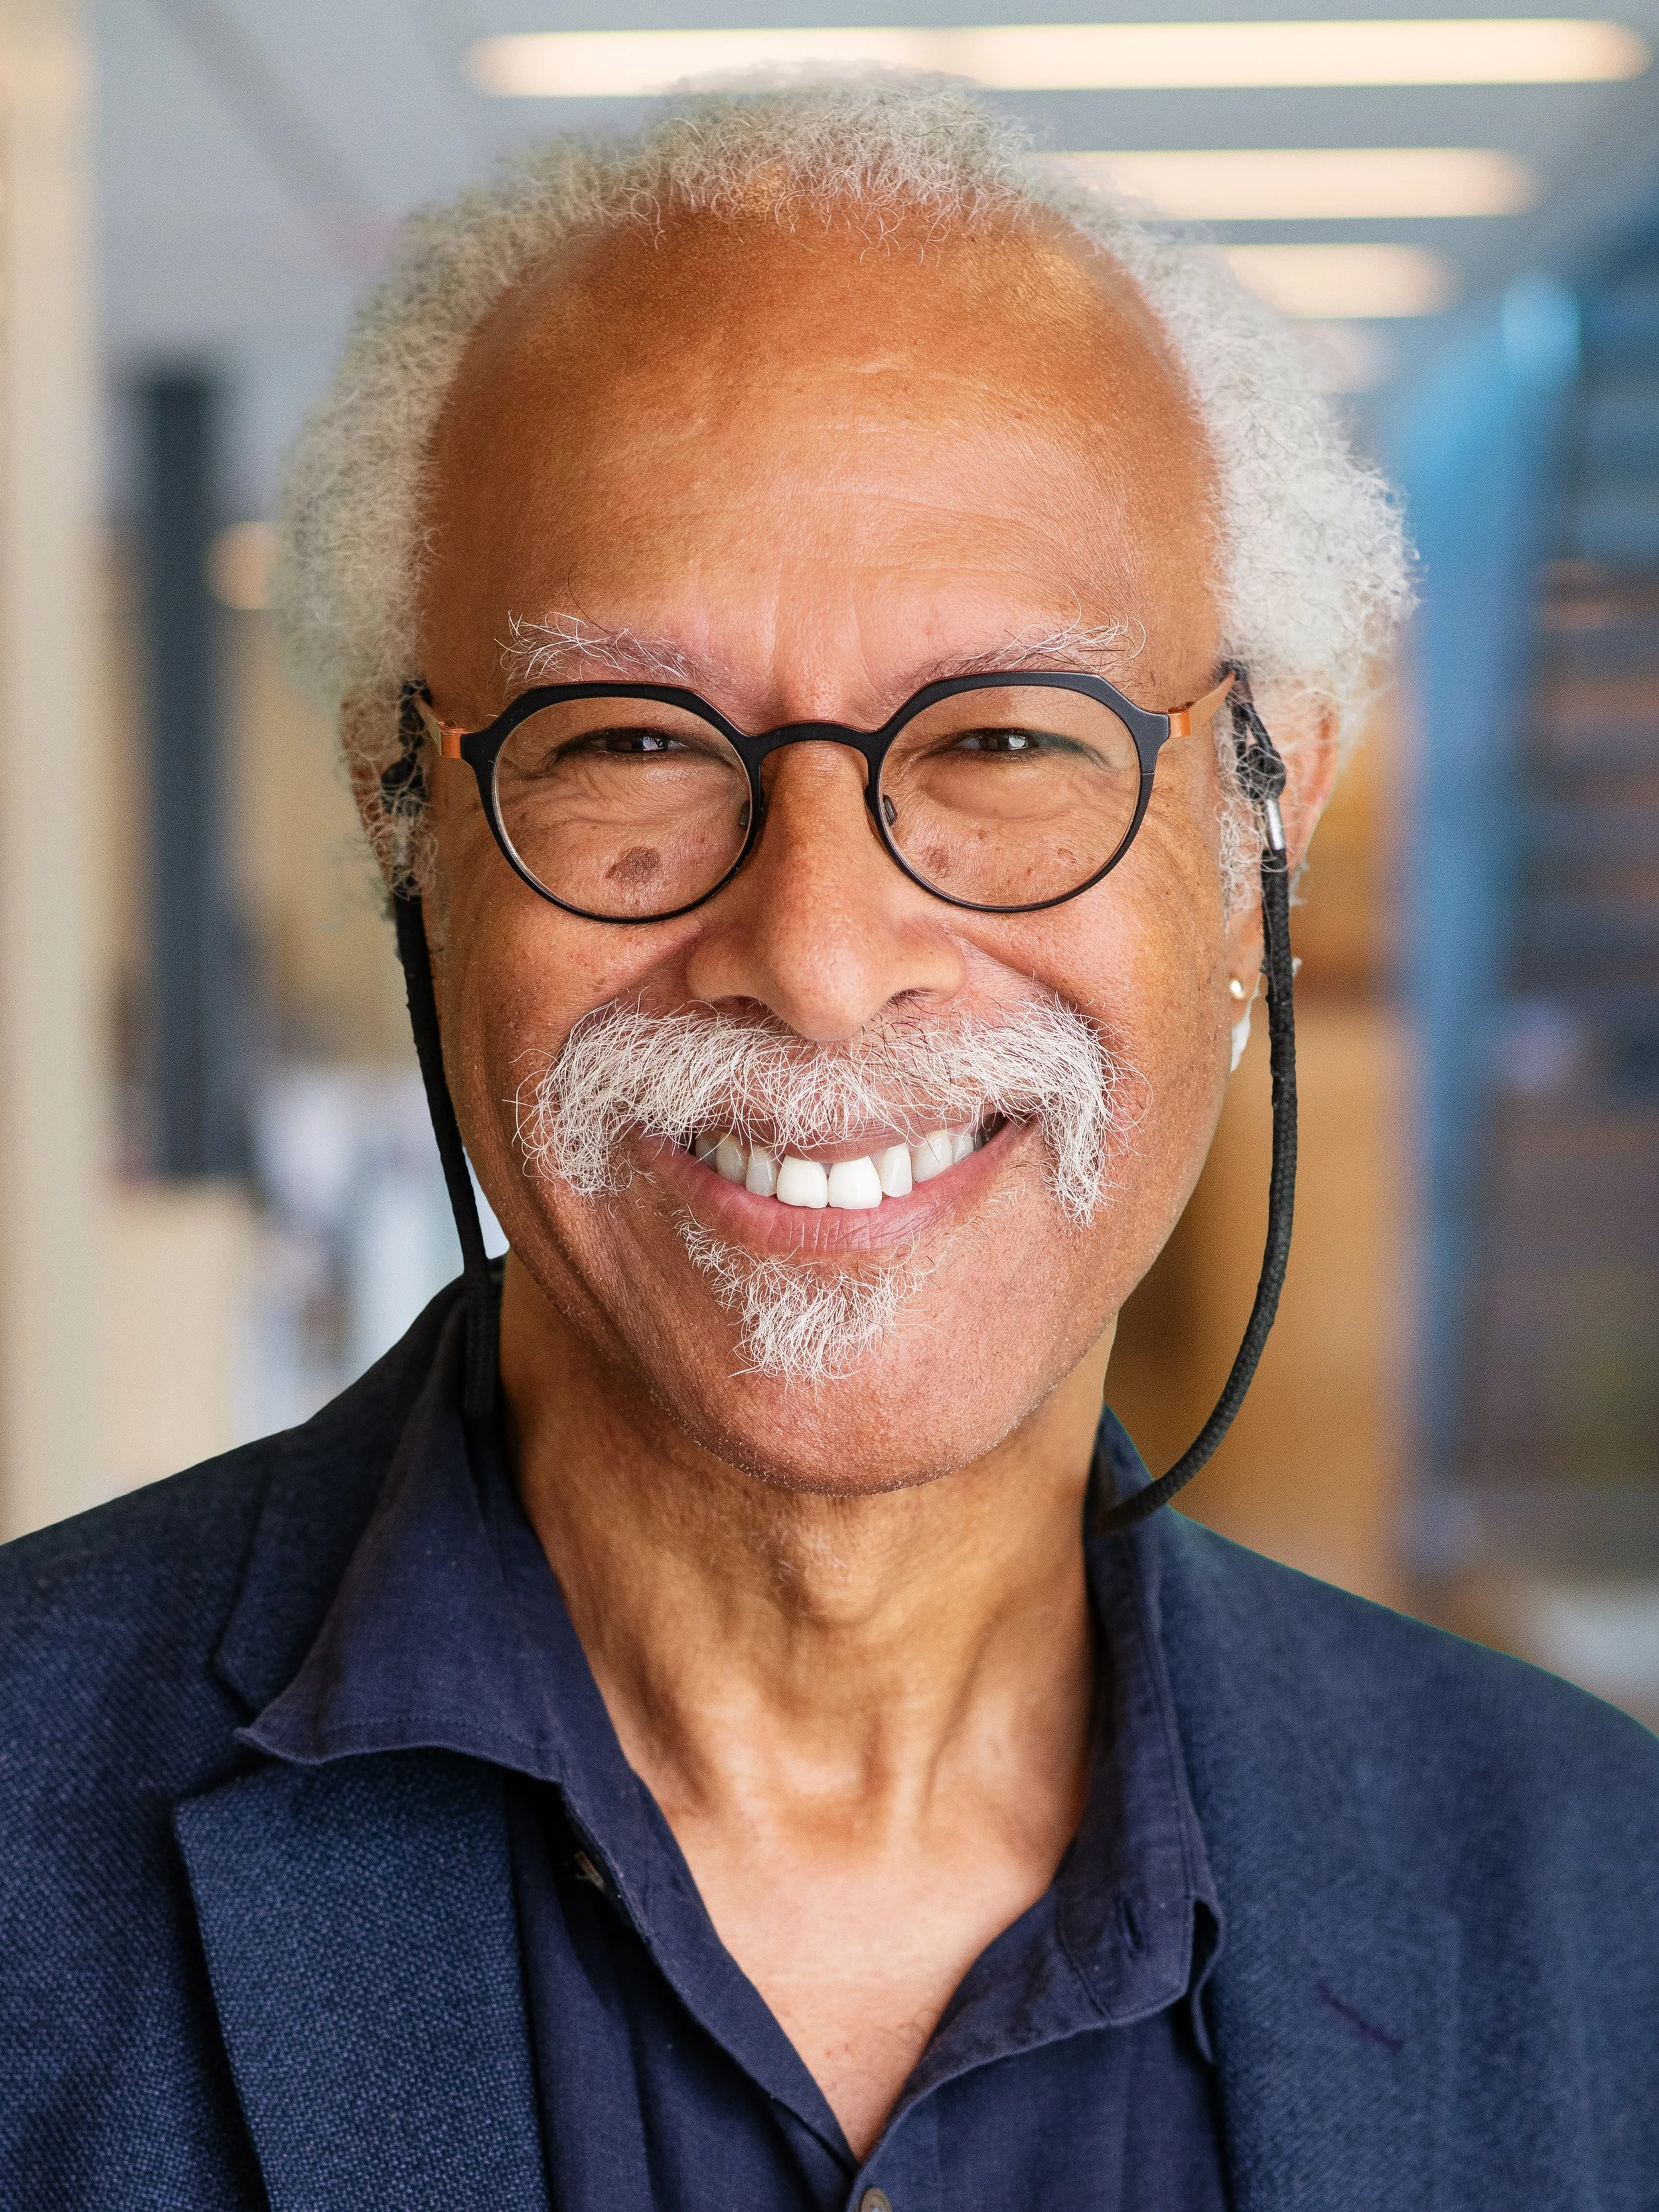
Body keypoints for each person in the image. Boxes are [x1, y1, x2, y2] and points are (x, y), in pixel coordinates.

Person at [3, 78, 1655, 2211]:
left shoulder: (1593, 1909)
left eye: (996, 740)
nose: (815, 949)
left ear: (1265, 812)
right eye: (629, 740)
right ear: (405, 821)